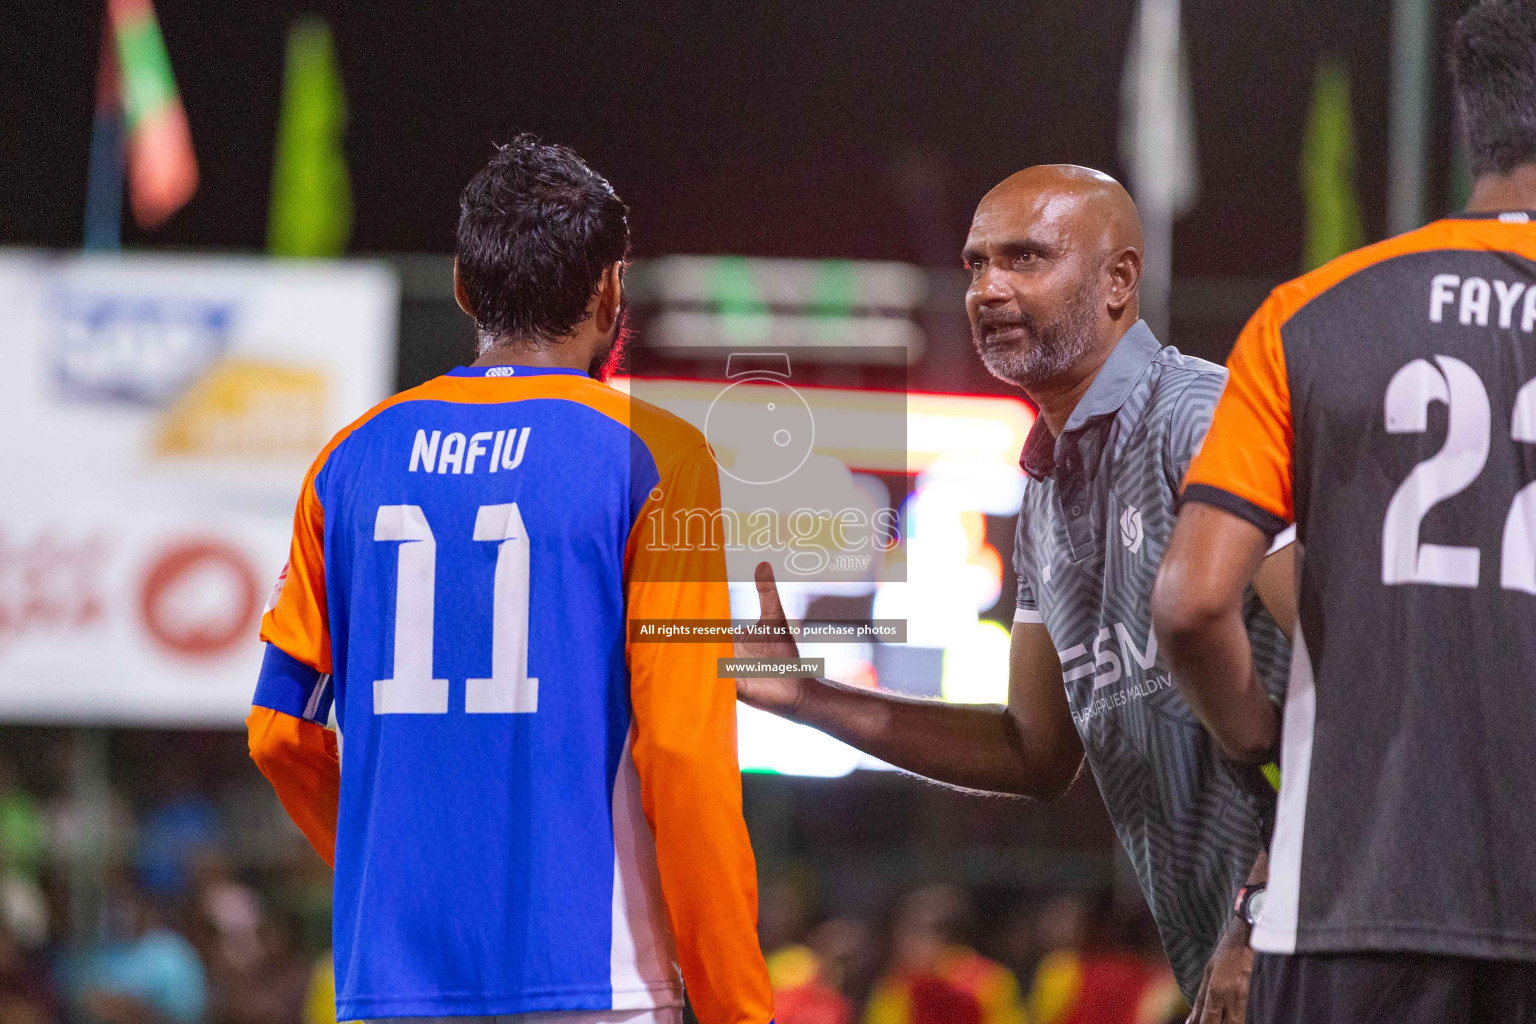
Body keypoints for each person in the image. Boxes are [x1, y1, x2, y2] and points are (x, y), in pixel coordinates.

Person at [737, 165, 1294, 1022]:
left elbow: (1363, 669)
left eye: (1026, 258)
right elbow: (1032, 751)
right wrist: (808, 696)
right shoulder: (1046, 492)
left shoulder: (1200, 418)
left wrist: (1262, 910)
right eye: (975, 265)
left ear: (1119, 281)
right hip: (1248, 953)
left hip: (1328, 935)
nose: (989, 288)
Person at [247, 135, 773, 1024]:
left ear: (462, 285)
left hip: (393, 983)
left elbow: (278, 731)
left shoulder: (347, 462)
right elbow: (682, 755)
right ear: (611, 289)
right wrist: (736, 1007)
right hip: (596, 981)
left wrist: (396, 878)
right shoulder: (658, 457)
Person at [1150, 3, 1536, 1021]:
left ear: (1475, 127)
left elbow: (1190, 604)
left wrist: (1259, 747)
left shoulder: (1311, 313)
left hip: (1349, 902)